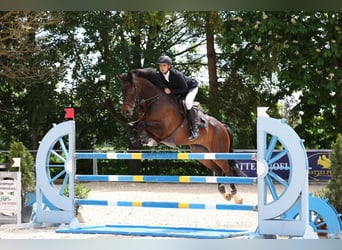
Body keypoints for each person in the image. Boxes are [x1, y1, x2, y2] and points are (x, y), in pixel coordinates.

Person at [157, 55, 200, 141]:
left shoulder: (177, 75)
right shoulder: (160, 75)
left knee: (188, 103)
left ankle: (195, 129)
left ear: (169, 66)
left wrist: (171, 91)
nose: (162, 68)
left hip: (190, 88)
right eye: (160, 65)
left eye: (164, 65)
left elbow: (184, 88)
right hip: (179, 90)